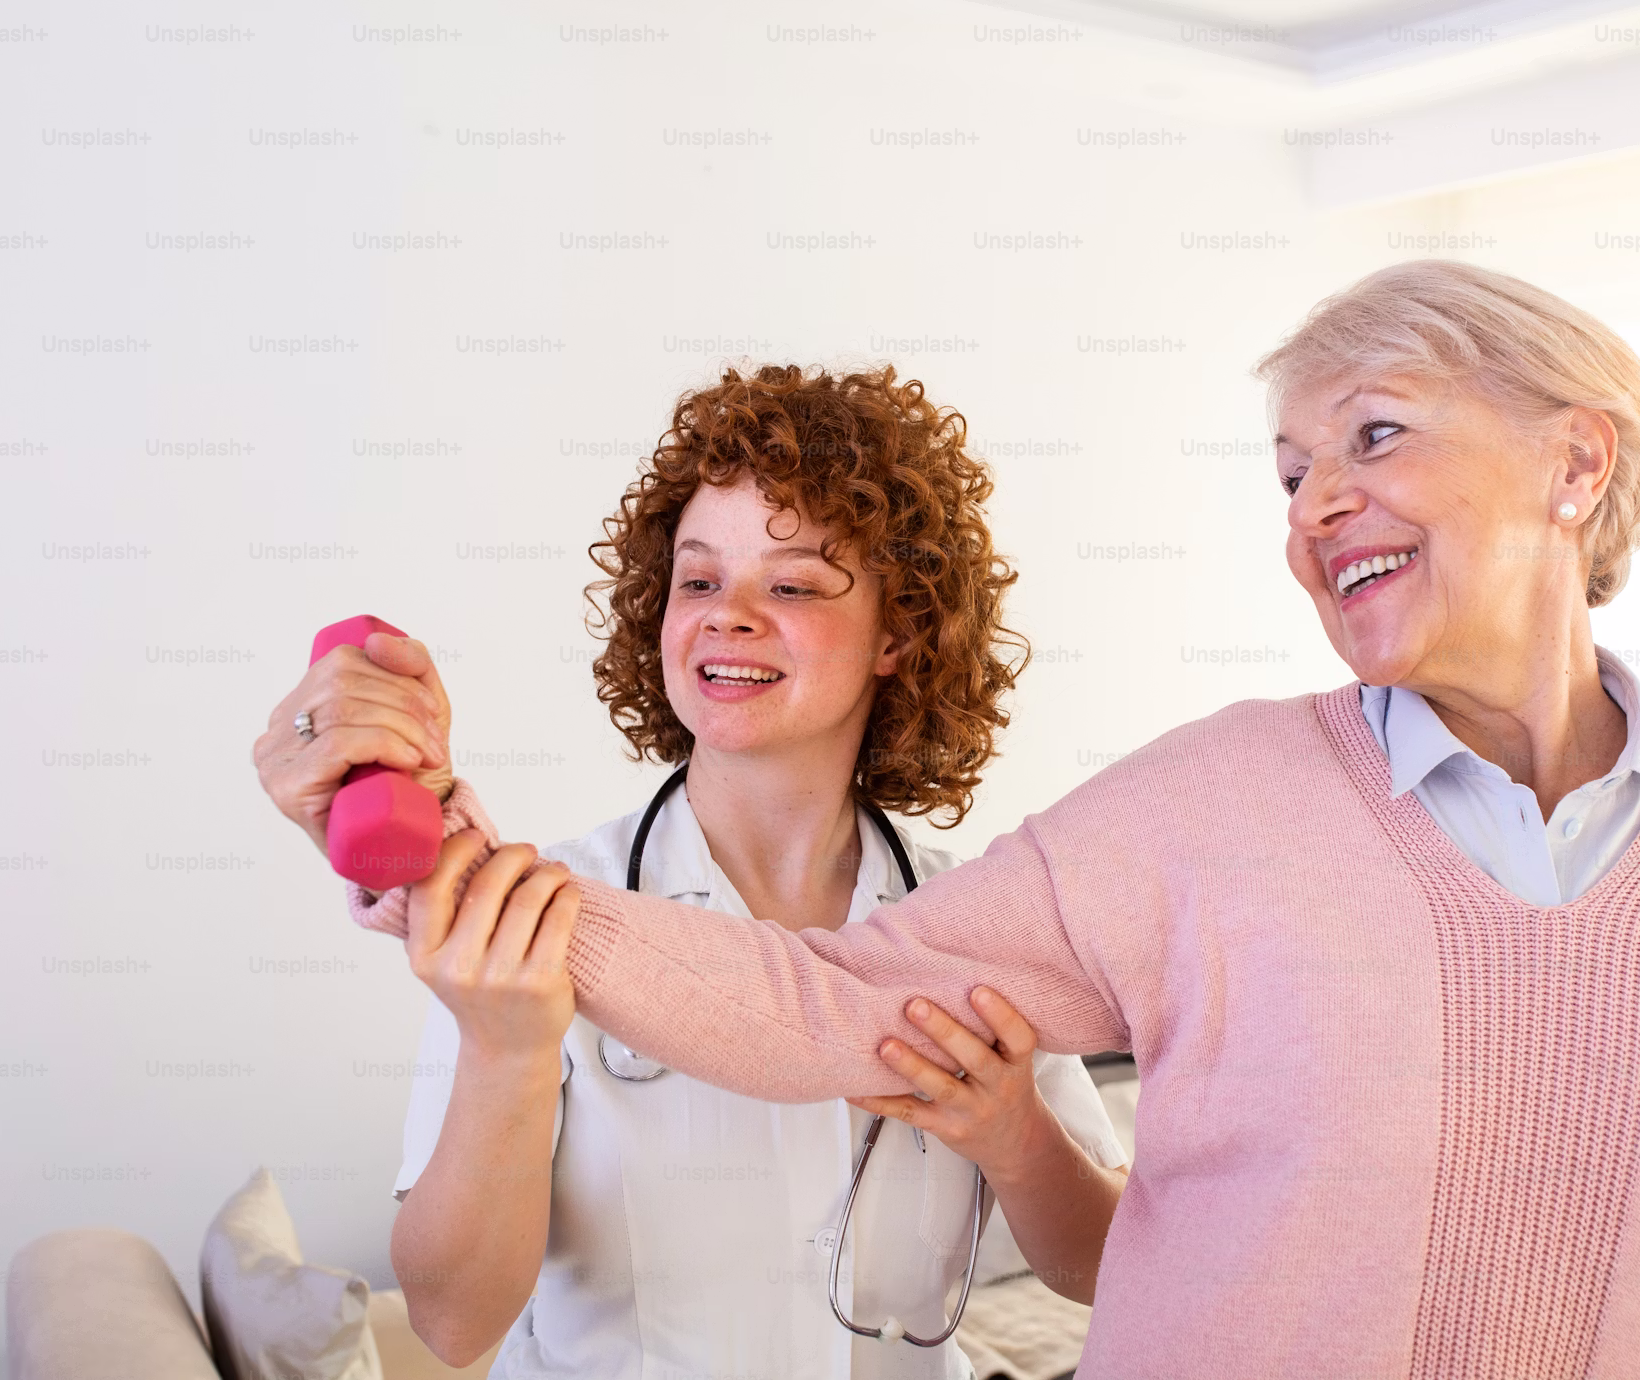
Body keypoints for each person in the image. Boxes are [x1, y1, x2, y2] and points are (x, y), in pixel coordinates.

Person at [268, 263, 1640, 1378]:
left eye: (1371, 436)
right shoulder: (1199, 812)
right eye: (1288, 471)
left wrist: (1009, 1133)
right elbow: (808, 1008)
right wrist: (441, 861)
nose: (1317, 501)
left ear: (1581, 464)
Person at [254, 364, 1128, 1379]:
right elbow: (453, 1324)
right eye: (699, 579)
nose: (728, 614)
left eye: (792, 584)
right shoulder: (536, 920)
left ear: (898, 633)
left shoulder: (976, 921)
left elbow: (1104, 1266)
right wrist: (508, 1052)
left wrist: (1012, 1132)